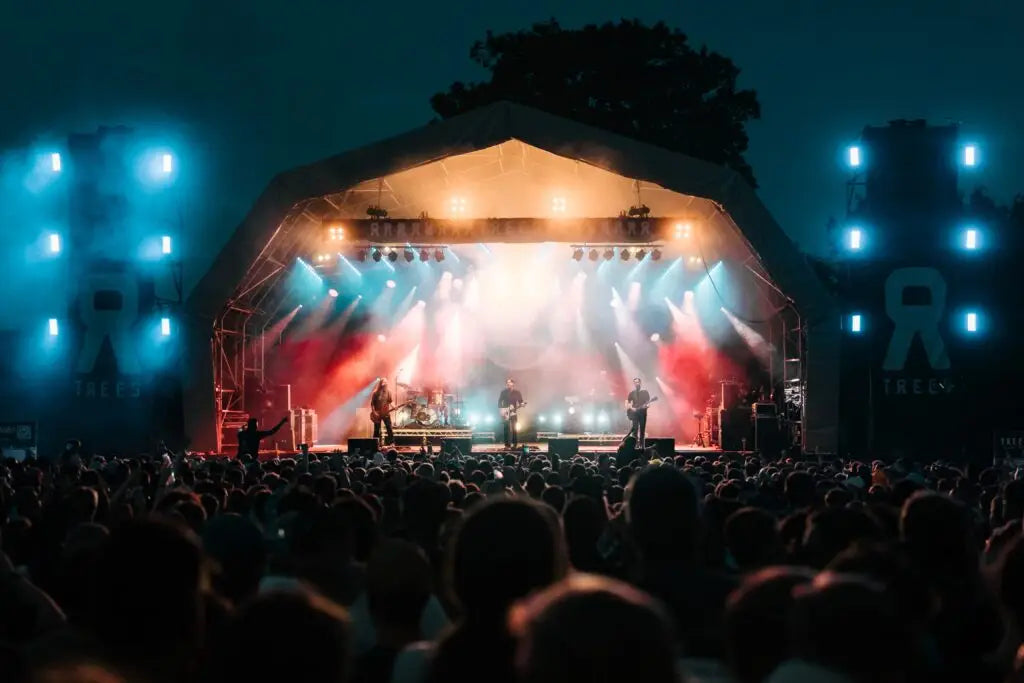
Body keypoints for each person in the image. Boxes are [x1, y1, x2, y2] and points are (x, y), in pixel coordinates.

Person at [623, 378, 651, 451]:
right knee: (635, 430)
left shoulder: (645, 392)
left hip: (643, 413)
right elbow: (628, 403)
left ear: (640, 383)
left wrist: (646, 406)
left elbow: (648, 403)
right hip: (635, 413)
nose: (636, 383)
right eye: (635, 382)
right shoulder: (632, 393)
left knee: (642, 430)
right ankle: (635, 446)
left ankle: (642, 447)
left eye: (638, 382)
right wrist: (632, 408)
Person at [498, 379, 524, 449]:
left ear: (513, 383)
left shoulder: (517, 392)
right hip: (505, 412)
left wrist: (522, 404)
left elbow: (521, 401)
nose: (508, 383)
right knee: (506, 428)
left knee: (514, 428)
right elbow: (500, 401)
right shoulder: (503, 392)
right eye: (507, 382)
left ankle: (514, 444)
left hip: (513, 412)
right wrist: (502, 411)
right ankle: (507, 444)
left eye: (510, 382)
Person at [370, 378, 395, 446]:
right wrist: (374, 412)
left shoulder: (389, 392)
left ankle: (391, 443)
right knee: (377, 429)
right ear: (381, 383)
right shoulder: (375, 392)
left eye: (386, 382)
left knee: (389, 428)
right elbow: (372, 404)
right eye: (384, 382)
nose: (386, 383)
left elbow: (390, 402)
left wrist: (393, 407)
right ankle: (375, 444)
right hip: (377, 414)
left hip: (386, 413)